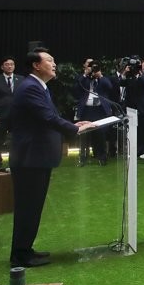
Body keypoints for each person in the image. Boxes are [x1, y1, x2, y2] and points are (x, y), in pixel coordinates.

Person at [9, 48, 92, 267]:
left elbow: (50, 116)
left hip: (36, 157)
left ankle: (26, 249)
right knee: (28, 206)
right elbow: (47, 117)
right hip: (30, 158)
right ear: (36, 65)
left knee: (33, 206)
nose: (54, 64)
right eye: (50, 60)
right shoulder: (30, 88)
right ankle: (20, 255)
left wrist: (73, 125)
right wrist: (74, 130)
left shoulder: (39, 87)